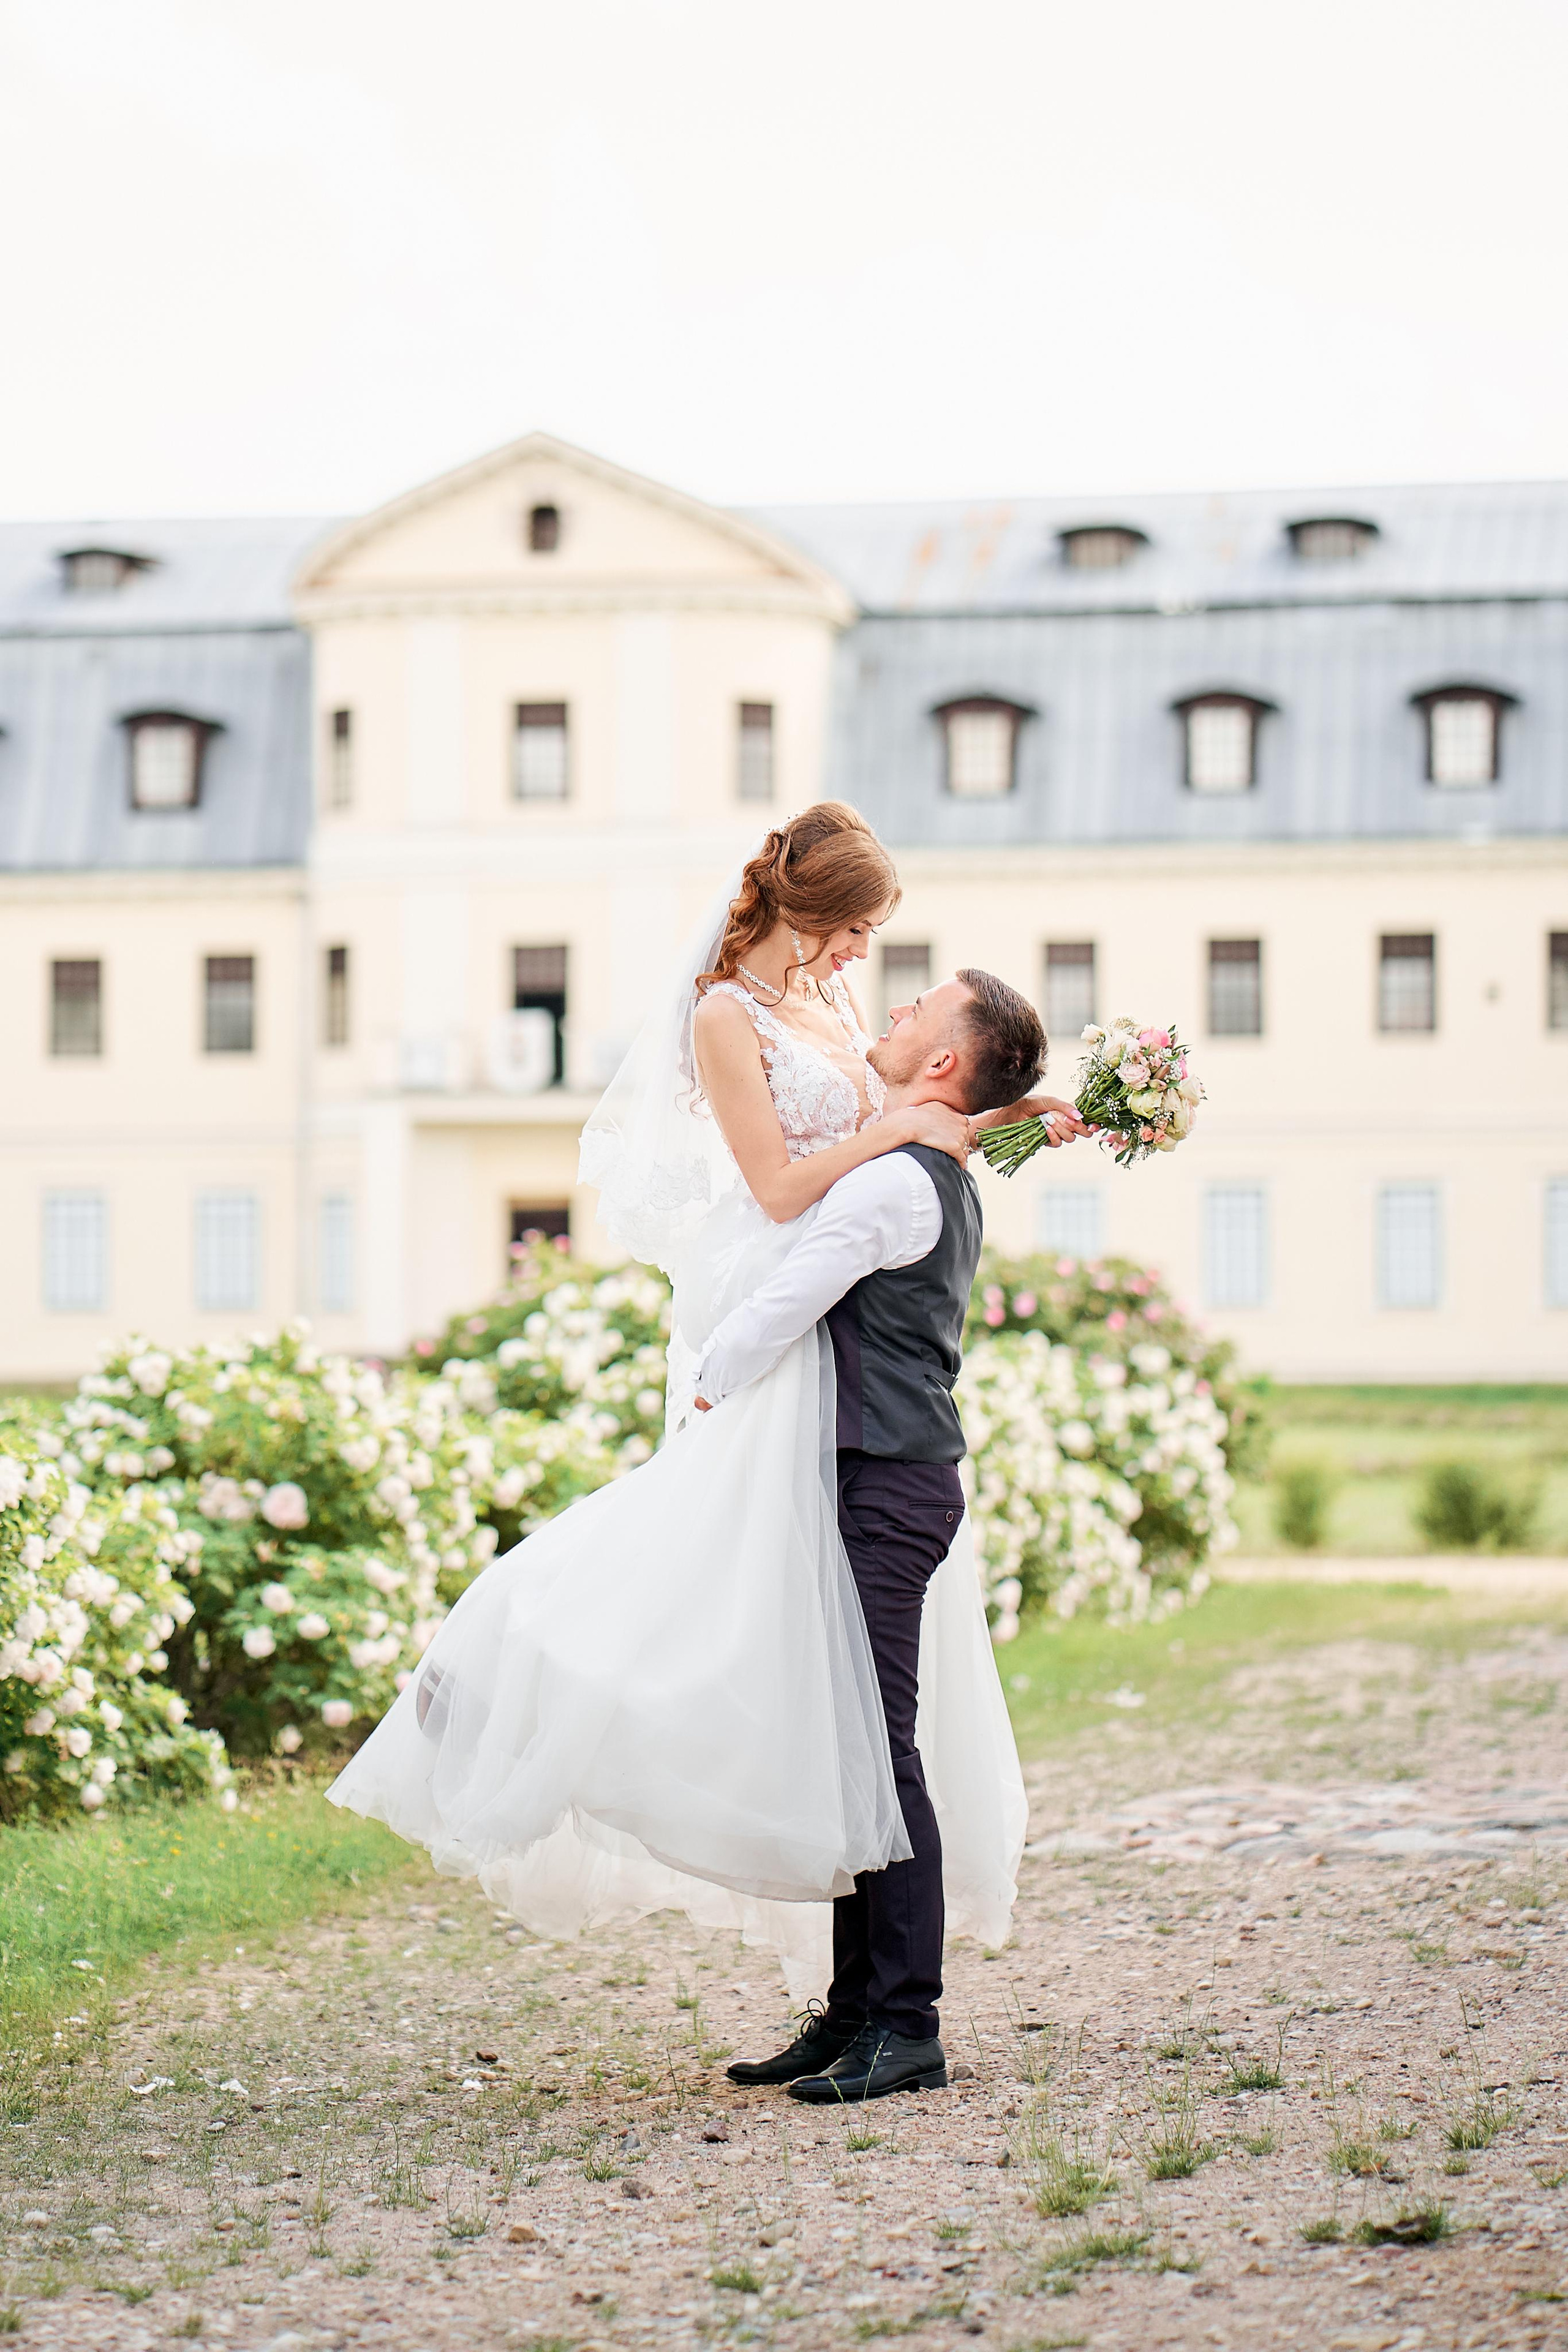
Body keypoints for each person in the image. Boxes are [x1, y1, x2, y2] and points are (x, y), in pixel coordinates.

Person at [326, 803, 1081, 2001]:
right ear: (810, 910)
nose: (859, 961)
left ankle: (867, 1997)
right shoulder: (721, 1016)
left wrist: (998, 1116)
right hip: (774, 1321)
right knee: (687, 1563)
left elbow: (915, 1134)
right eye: (854, 933)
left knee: (808, 1666)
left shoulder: (834, 1013)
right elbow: (783, 1188)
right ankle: (504, 1690)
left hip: (846, 1358)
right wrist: (906, 1127)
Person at [698, 970, 1068, 2100]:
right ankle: (855, 2012)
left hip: (888, 1486)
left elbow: (786, 1299)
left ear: (946, 1064)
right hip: (884, 1476)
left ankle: (907, 2024)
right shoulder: (924, 1160)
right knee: (858, 1746)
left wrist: (707, 1385)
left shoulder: (893, 1187)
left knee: (882, 1754)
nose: (892, 1009)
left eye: (920, 1010)